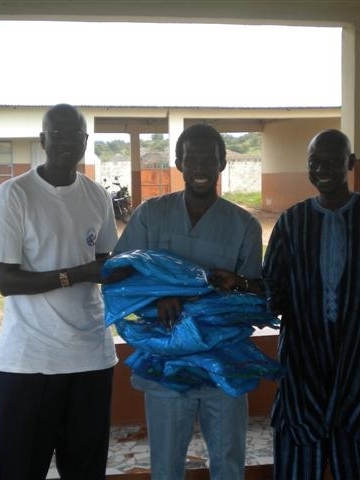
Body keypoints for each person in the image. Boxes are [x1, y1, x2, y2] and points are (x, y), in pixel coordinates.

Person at [261, 129, 360, 479]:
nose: (323, 169)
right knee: (297, 462)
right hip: (303, 368)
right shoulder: (291, 223)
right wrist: (238, 291)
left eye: (333, 161)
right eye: (315, 162)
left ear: (350, 163)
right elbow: (270, 289)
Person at [0, 103, 130, 480]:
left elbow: (105, 262)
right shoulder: (15, 194)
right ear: (42, 139)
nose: (67, 142)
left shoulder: (96, 195)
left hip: (91, 358)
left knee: (86, 471)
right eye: (57, 134)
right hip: (30, 361)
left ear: (86, 140)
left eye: (75, 135)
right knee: (19, 471)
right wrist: (78, 274)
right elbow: (7, 281)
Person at [111, 123, 263, 480]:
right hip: (165, 361)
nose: (199, 167)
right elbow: (120, 273)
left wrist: (237, 284)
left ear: (222, 163)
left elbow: (256, 292)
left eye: (209, 159)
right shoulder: (150, 214)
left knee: (228, 462)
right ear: (178, 163)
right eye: (190, 158)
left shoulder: (244, 225)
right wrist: (160, 293)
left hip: (223, 362)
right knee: (166, 465)